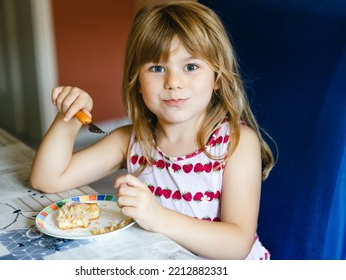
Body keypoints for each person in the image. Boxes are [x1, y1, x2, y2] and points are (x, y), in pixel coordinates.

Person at [30, 1, 275, 260]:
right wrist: (69, 117)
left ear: (217, 77)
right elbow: (47, 179)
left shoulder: (236, 143)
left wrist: (158, 217)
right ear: (137, 81)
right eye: (157, 69)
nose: (173, 82)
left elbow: (237, 245)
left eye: (190, 67)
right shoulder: (131, 140)